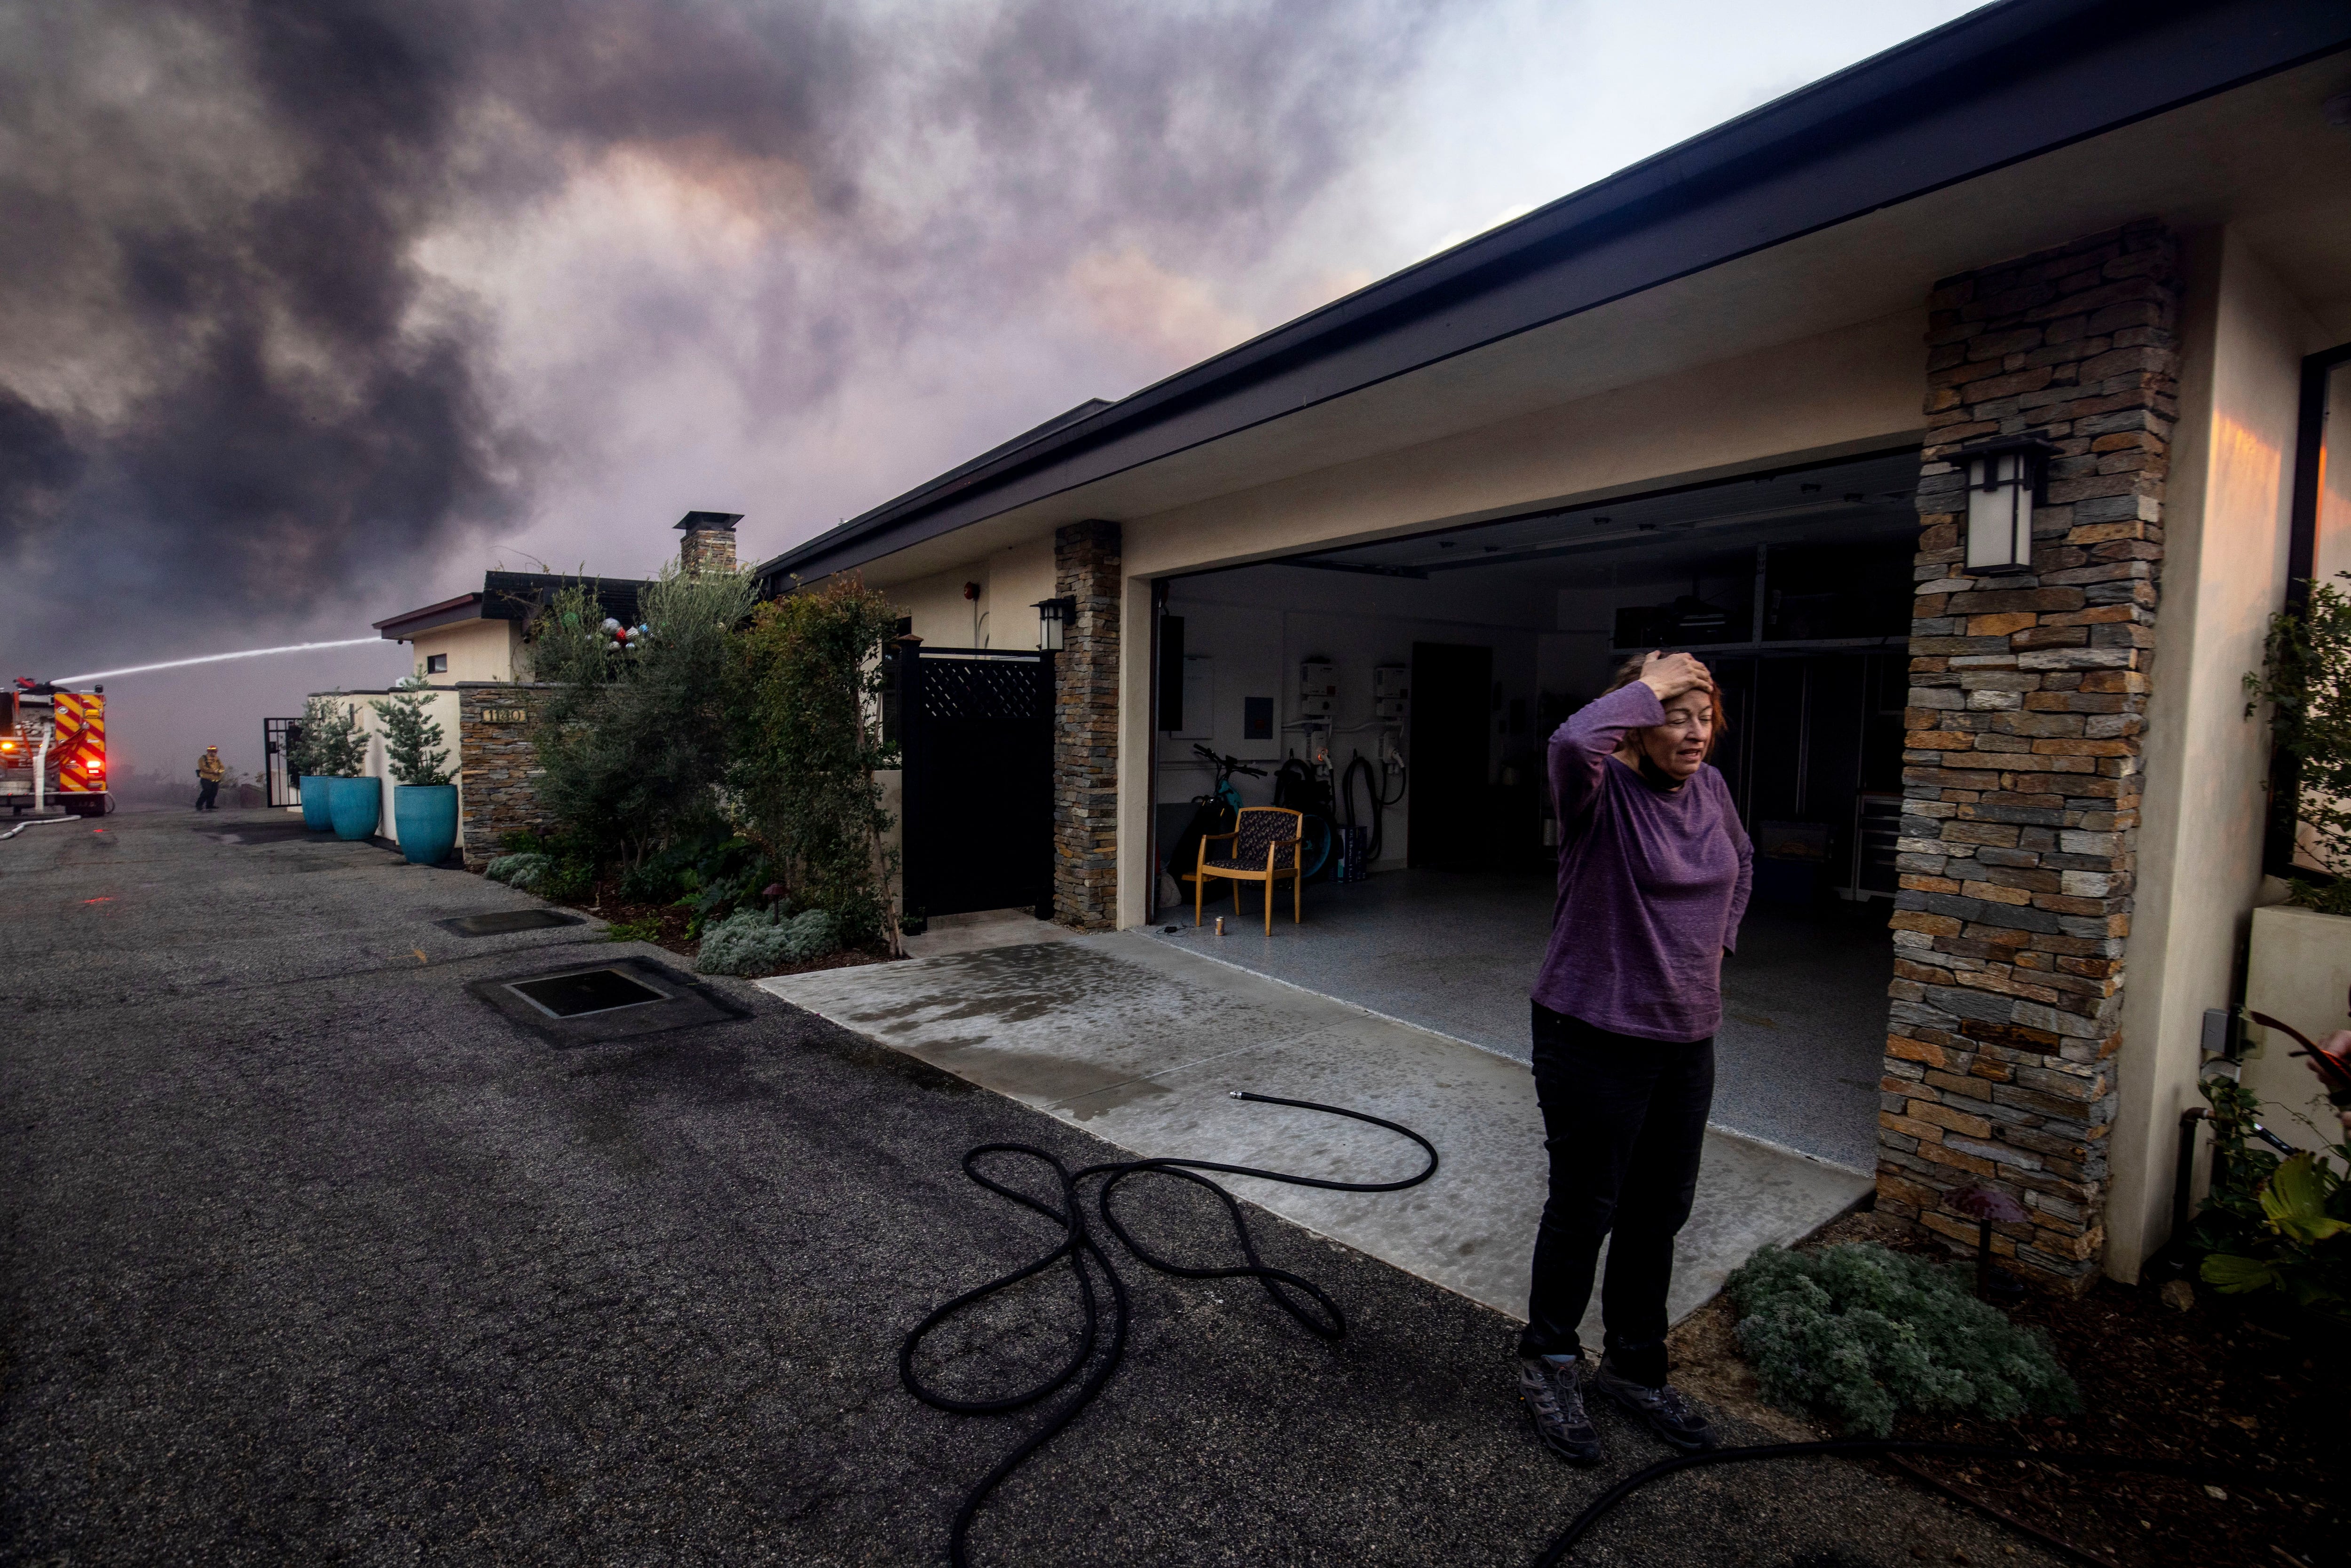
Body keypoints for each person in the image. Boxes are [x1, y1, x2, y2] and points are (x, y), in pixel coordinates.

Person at [1517, 649, 1751, 1465]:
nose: (1695, 732)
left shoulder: (1713, 792)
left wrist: (1716, 944)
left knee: (1659, 1212)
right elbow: (1567, 744)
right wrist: (1648, 685)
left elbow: (1742, 862)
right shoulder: (1599, 792)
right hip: (1592, 1032)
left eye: (1705, 715)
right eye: (1676, 715)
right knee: (1587, 1206)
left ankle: (1634, 1368)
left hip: (1688, 1035)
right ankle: (1548, 1362)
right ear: (1639, 723)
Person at [195, 745, 224, 811]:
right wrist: (213, 771)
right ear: (209, 752)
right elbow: (203, 768)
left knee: (214, 793)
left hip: (216, 779)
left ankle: (210, 806)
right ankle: (199, 805)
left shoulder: (217, 759)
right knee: (206, 792)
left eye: (215, 752)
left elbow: (222, 768)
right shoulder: (203, 759)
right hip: (206, 779)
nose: (213, 753)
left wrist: (219, 771)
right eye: (212, 752)